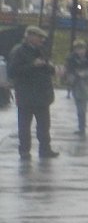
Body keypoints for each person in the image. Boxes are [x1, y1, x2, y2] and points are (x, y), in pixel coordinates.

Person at [8, 26, 58, 159]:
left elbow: (46, 67)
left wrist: (52, 68)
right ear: (30, 36)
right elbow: (12, 71)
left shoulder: (40, 50)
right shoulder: (19, 51)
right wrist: (32, 65)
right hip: (26, 95)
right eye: (39, 37)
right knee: (24, 126)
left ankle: (45, 149)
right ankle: (24, 151)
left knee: (44, 126)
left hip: (42, 95)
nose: (41, 40)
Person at [64, 39, 88, 135]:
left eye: (82, 49)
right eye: (78, 49)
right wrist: (73, 78)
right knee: (80, 110)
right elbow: (68, 72)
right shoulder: (71, 59)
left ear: (85, 49)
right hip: (78, 87)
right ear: (75, 50)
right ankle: (81, 128)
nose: (80, 51)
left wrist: (86, 74)